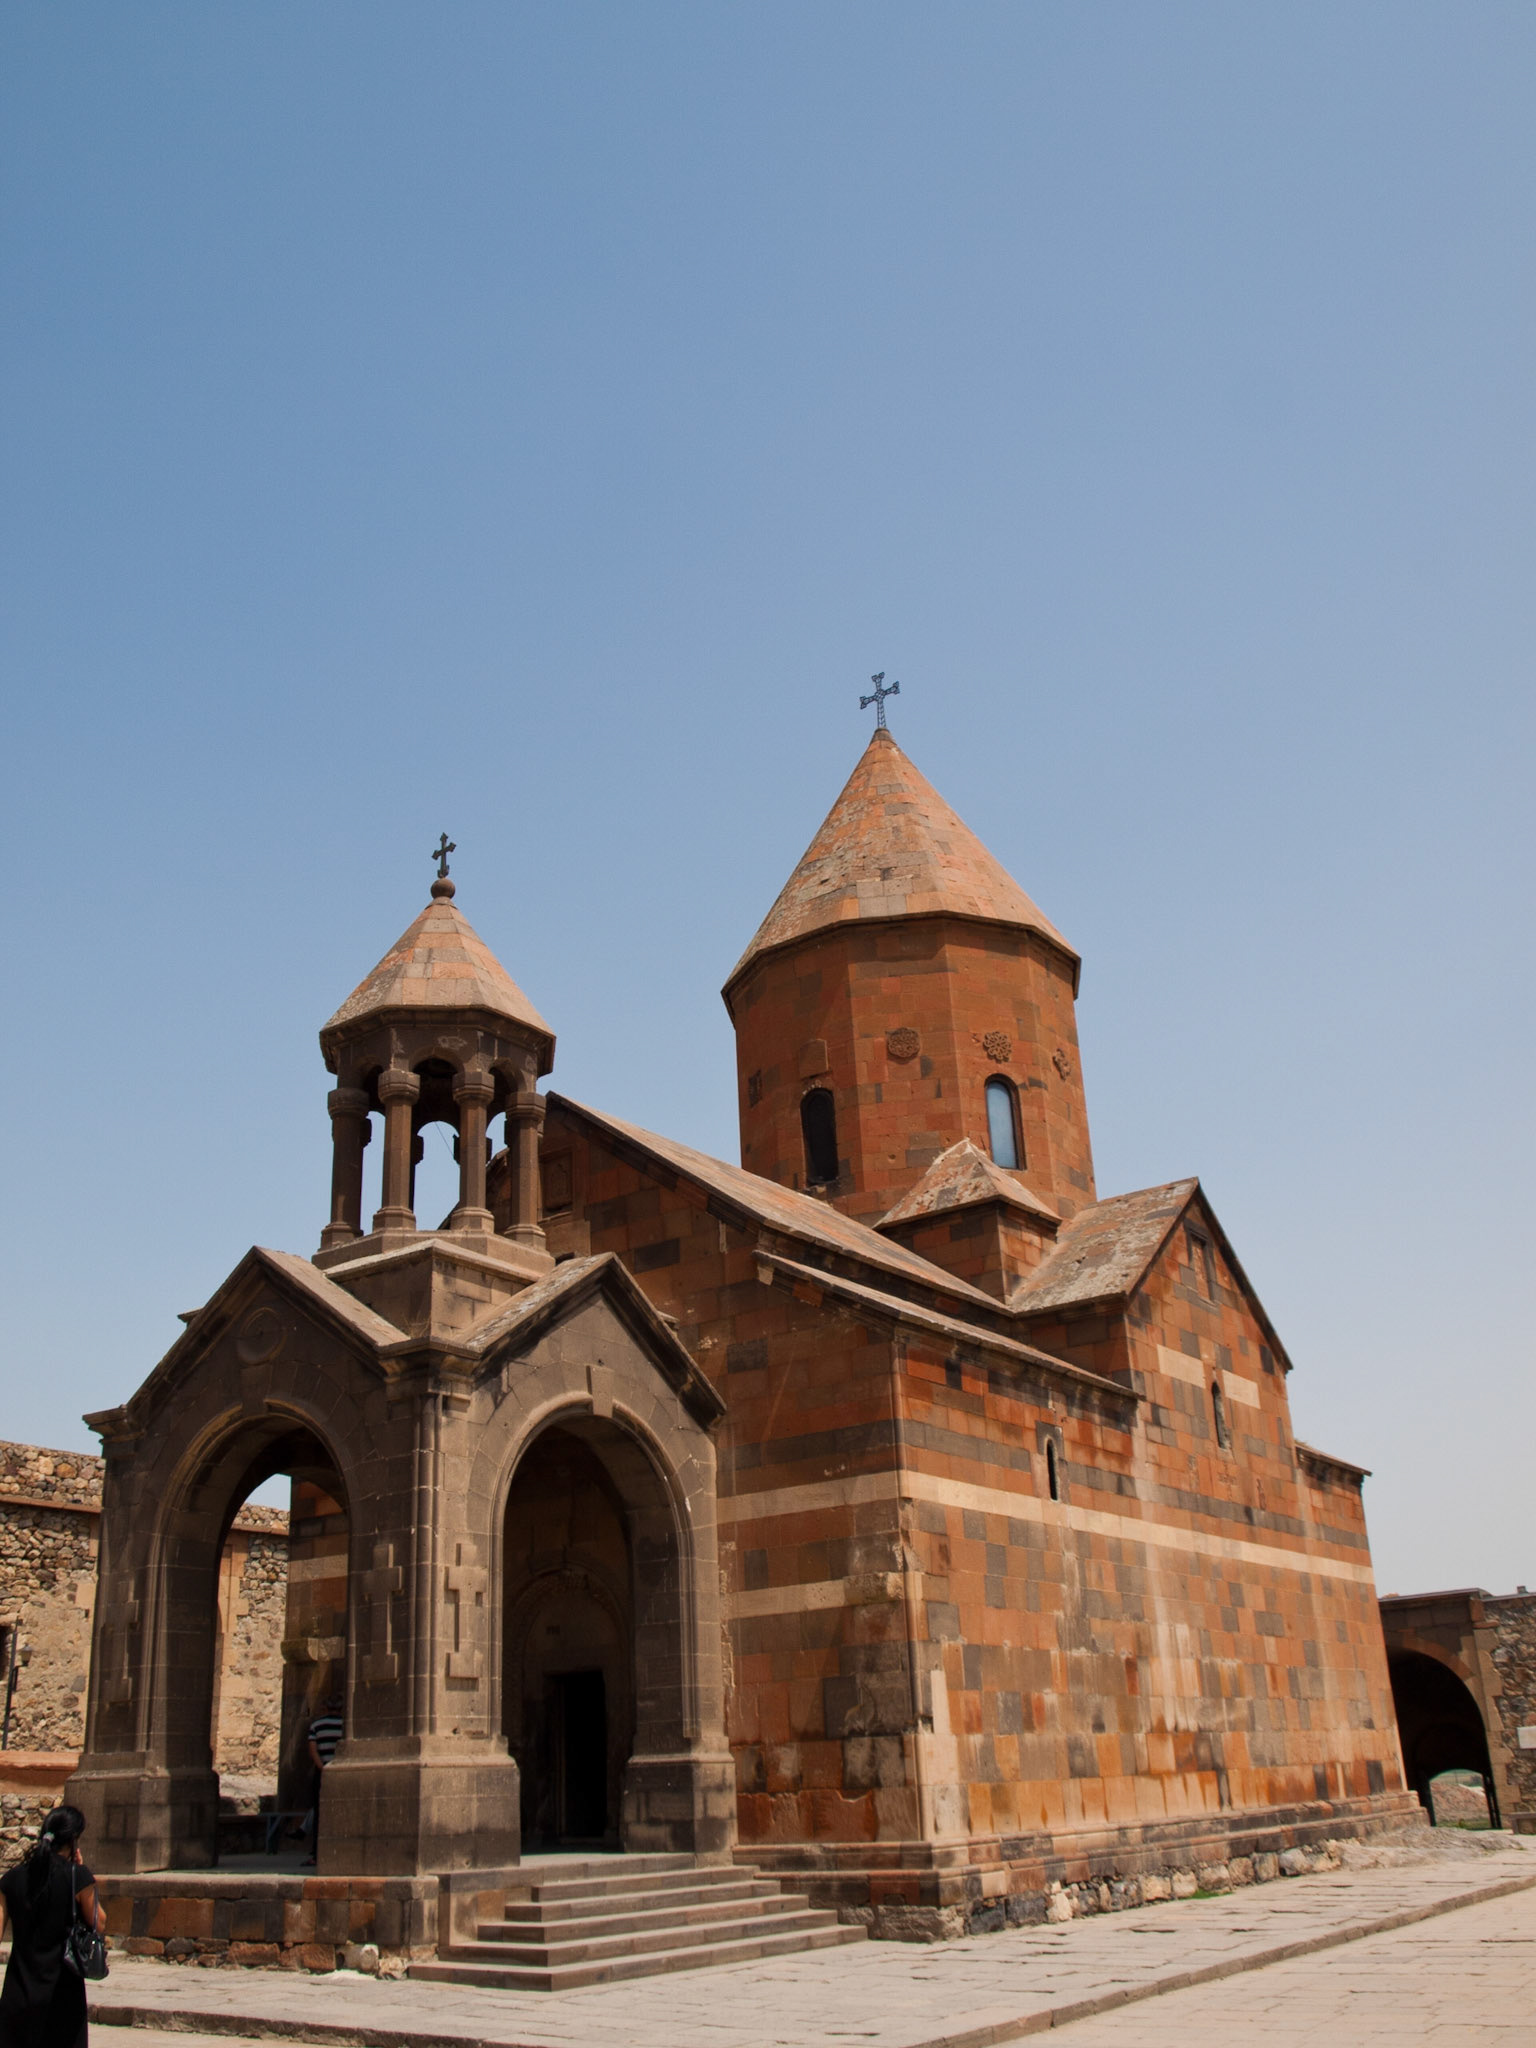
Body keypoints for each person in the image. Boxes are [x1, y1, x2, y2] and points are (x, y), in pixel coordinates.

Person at [0, 1804, 103, 2048]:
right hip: (62, 1996)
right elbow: (100, 1922)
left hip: (18, 1993)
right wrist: (82, 1872)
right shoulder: (77, 1876)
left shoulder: (11, 1879)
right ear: (73, 1840)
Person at [301, 1692, 344, 1867]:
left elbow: (313, 1749)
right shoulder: (345, 1726)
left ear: (325, 1707)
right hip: (341, 1770)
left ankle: (317, 1853)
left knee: (320, 1812)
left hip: (324, 1771)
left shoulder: (317, 1725)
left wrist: (323, 1768)